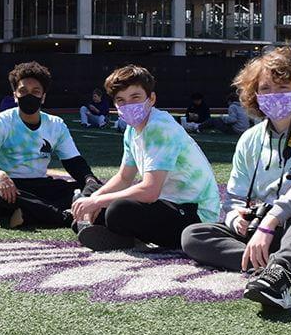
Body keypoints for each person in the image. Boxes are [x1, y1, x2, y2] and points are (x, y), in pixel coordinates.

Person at [182, 47, 291, 310]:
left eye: (283, 87)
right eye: (265, 89)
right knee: (194, 235)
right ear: (254, 94)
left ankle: (281, 276)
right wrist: (235, 217)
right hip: (269, 231)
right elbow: (233, 199)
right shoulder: (250, 139)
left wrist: (273, 217)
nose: (274, 95)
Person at [72, 65, 220, 251]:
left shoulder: (159, 127)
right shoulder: (131, 130)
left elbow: (150, 191)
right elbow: (124, 177)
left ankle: (121, 235)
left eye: (135, 98)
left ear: (151, 99)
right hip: (168, 204)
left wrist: (96, 202)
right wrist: (94, 198)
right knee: (95, 194)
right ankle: (116, 232)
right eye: (121, 100)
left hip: (195, 216)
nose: (128, 106)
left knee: (118, 209)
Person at [0, 62, 101, 229]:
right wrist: (0, 175)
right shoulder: (2, 121)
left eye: (36, 92)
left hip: (42, 186)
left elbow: (74, 162)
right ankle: (66, 217)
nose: (29, 96)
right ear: (15, 95)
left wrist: (89, 180)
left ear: (43, 97)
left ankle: (29, 214)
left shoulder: (56, 124)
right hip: (11, 188)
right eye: (23, 91)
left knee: (96, 187)